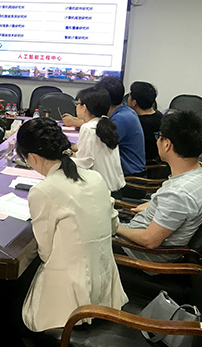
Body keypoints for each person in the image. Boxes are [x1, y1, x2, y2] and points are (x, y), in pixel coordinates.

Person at [16, 117, 128, 332]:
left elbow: (45, 253)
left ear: (32, 157)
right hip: (106, 290)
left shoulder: (44, 190)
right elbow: (113, 225)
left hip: (70, 303)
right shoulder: (95, 177)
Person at [117, 111, 202, 262]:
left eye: (159, 137)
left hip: (139, 254)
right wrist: (153, 205)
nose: (157, 141)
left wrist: (114, 226)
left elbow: (149, 241)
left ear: (167, 144)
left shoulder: (178, 194)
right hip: (140, 232)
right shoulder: (195, 173)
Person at [64, 77, 146, 179]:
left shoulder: (120, 119)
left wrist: (66, 150)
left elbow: (85, 157)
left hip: (129, 175)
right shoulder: (125, 111)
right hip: (120, 173)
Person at [70, 86, 125, 192]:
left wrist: (63, 160)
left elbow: (85, 163)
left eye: (77, 103)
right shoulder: (105, 124)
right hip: (114, 186)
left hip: (101, 189)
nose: (76, 107)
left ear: (84, 107)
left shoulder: (88, 128)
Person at [127, 81, 163, 162]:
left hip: (140, 162)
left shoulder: (136, 123)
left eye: (129, 96)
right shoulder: (160, 116)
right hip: (157, 162)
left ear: (134, 102)